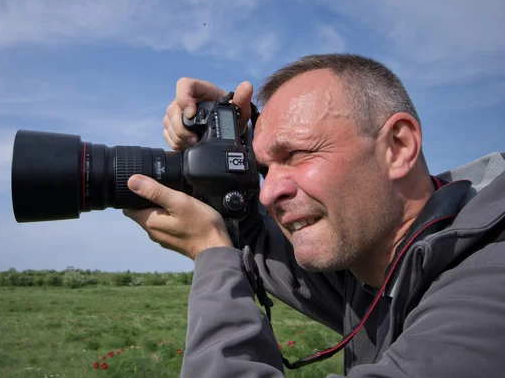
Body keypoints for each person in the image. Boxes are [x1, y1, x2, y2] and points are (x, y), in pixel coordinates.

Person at [122, 54, 505, 377]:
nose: (269, 192)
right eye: (264, 170)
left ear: (398, 146)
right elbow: (256, 236)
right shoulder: (375, 264)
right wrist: (220, 152)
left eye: (296, 156)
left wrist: (212, 256)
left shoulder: (488, 288)